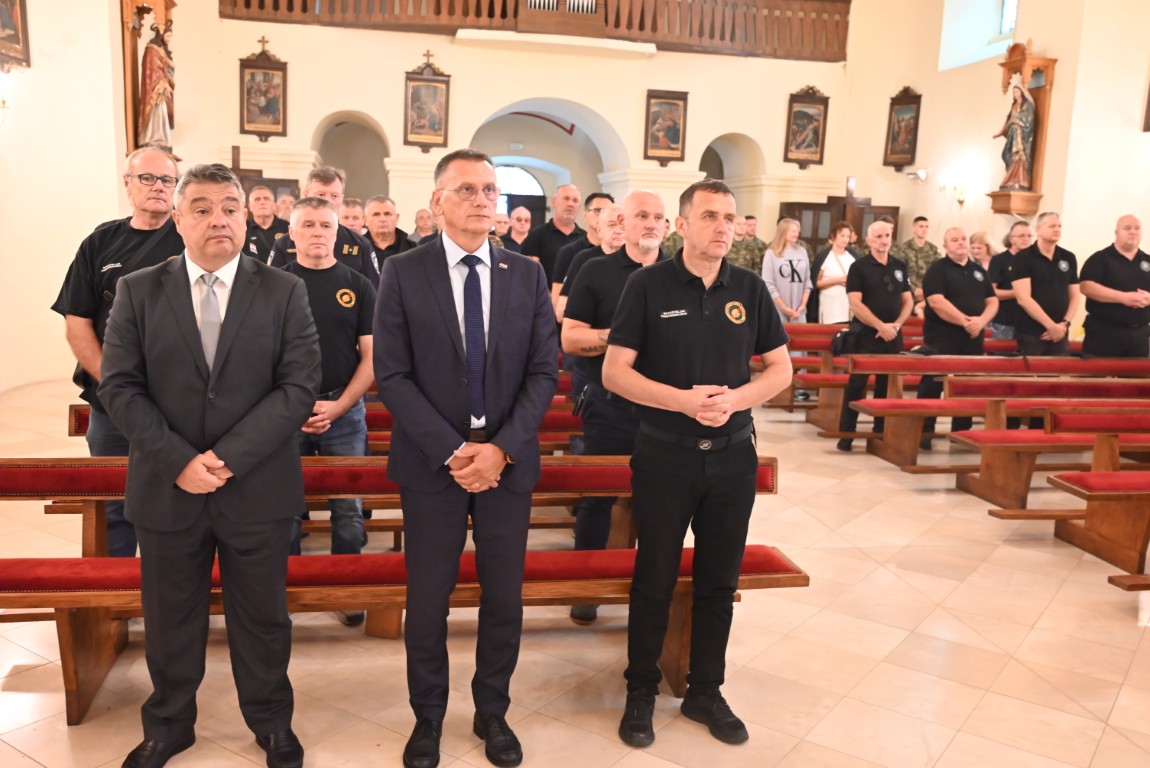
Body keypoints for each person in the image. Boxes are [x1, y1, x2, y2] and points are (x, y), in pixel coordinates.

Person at [98, 163, 320, 768]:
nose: (217, 218)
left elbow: (298, 386)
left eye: (229, 207)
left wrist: (225, 458)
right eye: (201, 208)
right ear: (178, 220)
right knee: (170, 617)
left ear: (245, 219)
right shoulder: (139, 290)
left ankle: (271, 721)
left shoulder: (284, 291)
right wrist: (179, 462)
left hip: (257, 486)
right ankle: (169, 724)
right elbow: (119, 387)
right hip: (168, 488)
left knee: (263, 617)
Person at [373, 149, 558, 768]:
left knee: (504, 596)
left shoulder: (525, 274)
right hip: (434, 465)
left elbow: (543, 371)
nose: (482, 200)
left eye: (489, 190)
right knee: (428, 599)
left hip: (507, 464)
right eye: (467, 190)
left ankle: (492, 710)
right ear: (437, 202)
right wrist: (454, 451)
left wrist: (500, 449)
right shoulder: (404, 271)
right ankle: (427, 715)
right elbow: (393, 374)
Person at [604, 178, 791, 749]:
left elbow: (780, 370)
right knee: (655, 577)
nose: (722, 227)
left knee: (718, 581)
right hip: (665, 454)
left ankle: (705, 690)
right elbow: (615, 372)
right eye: (709, 216)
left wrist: (735, 400)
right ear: (681, 225)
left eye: (730, 218)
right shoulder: (647, 284)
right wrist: (683, 401)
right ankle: (640, 690)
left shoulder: (749, 288)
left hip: (732, 457)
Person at [51, 147, 185, 558]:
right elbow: (77, 323)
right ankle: (116, 593)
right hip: (112, 405)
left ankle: (171, 588)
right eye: (147, 178)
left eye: (167, 180)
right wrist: (115, 385)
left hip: (178, 404)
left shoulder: (191, 238)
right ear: (128, 183)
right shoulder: (100, 242)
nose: (158, 187)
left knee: (178, 505)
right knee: (115, 506)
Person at [561, 194, 659, 625]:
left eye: (657, 217)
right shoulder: (595, 269)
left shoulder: (677, 273)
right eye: (639, 216)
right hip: (608, 405)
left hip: (663, 409)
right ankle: (585, 586)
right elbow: (570, 339)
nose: (648, 224)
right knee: (597, 497)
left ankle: (652, 591)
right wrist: (620, 337)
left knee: (661, 504)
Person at [281, 198, 375, 622]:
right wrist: (291, 405)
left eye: (325, 225)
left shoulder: (358, 285)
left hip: (344, 411)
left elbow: (371, 357)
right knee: (284, 506)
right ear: (292, 233)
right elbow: (260, 354)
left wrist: (339, 406)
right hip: (286, 412)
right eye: (308, 225)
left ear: (337, 233)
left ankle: (346, 588)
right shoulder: (275, 283)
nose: (317, 232)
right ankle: (287, 587)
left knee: (348, 508)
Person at [916, 227, 998, 448]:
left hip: (973, 338)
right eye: (954, 240)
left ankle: (962, 432)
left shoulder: (978, 270)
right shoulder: (938, 269)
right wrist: (965, 321)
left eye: (963, 239)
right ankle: (924, 432)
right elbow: (936, 302)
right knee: (932, 384)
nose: (961, 242)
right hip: (942, 337)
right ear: (945, 246)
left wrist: (981, 321)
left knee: (967, 385)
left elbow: (992, 300)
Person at [836, 221, 913, 452]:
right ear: (869, 240)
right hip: (866, 334)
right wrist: (880, 326)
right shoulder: (859, 267)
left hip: (893, 335)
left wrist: (896, 326)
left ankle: (880, 432)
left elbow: (908, 300)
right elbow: (855, 303)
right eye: (878, 236)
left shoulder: (899, 265)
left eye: (887, 235)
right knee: (857, 385)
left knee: (886, 385)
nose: (883, 240)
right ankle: (847, 434)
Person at [269, 167, 379, 285]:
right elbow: (271, 287)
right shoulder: (283, 244)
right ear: (305, 195)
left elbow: (373, 290)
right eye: (321, 195)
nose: (328, 201)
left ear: (342, 198)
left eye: (334, 196)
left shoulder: (361, 245)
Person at [1079, 215, 1150, 357]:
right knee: (1100, 372)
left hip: (1139, 336)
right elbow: (1086, 287)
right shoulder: (1100, 259)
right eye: (1127, 228)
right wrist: (1123, 298)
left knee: (1137, 372)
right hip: (1104, 334)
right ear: (1116, 232)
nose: (1133, 232)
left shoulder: (1147, 260)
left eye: (1137, 228)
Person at [1012, 211, 1080, 356]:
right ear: (1038, 230)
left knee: (1057, 370)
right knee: (1032, 370)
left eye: (1059, 226)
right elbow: (1023, 298)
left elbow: (1075, 296)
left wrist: (1065, 323)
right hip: (1032, 332)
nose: (1057, 229)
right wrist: (1050, 325)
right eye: (1052, 226)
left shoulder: (1068, 257)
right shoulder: (1023, 257)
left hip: (1060, 330)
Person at [551, 192, 614, 318]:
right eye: (598, 211)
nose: (603, 216)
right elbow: (558, 302)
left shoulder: (621, 252)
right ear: (585, 215)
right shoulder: (570, 252)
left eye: (607, 212)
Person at [520, 183, 583, 282]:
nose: (571, 204)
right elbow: (528, 274)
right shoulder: (536, 236)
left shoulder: (585, 238)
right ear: (554, 202)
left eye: (575, 200)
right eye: (566, 198)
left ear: (579, 207)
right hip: (545, 291)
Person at [987, 220, 1033, 339]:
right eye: (1021, 236)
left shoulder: (1034, 261)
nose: (1026, 239)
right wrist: (1018, 293)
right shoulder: (999, 260)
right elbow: (991, 292)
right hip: (1005, 321)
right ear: (1011, 239)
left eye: (1029, 236)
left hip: (1030, 320)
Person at [762, 218, 812, 324]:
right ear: (783, 231)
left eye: (797, 231)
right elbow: (768, 284)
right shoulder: (771, 253)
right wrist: (783, 308)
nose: (796, 234)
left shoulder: (802, 251)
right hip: (778, 310)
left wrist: (803, 305)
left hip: (799, 311)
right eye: (793, 231)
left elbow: (807, 282)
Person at [890, 215, 940, 312]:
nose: (924, 229)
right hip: (907, 295)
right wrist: (914, 289)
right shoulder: (903, 249)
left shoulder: (933, 250)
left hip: (927, 296)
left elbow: (938, 273)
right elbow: (899, 273)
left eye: (926, 227)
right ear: (914, 228)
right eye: (921, 226)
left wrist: (927, 290)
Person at [138, 23, 175, 151]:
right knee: (156, 113)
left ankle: (162, 139)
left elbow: (168, 67)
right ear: (161, 34)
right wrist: (164, 84)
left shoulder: (161, 50)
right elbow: (154, 70)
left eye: (170, 36)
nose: (169, 39)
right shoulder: (152, 49)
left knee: (162, 113)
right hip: (155, 89)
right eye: (168, 35)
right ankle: (152, 139)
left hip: (162, 89)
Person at [994, 82, 1037, 191]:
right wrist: (1000, 133)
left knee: (1019, 156)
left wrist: (1017, 117)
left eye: (1017, 92)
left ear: (1022, 92)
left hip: (1022, 137)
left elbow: (1029, 120)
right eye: (1014, 92)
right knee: (1008, 154)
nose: (1015, 94)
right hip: (1013, 134)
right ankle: (1011, 179)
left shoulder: (1028, 105)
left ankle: (1021, 180)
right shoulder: (1014, 105)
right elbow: (1008, 121)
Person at [811, 221, 856, 323]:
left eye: (848, 236)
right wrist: (838, 281)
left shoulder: (853, 257)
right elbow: (816, 283)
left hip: (848, 305)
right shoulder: (824, 257)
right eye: (842, 236)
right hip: (829, 305)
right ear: (833, 236)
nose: (845, 239)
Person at [364, 195, 415, 269]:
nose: (382, 219)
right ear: (365, 220)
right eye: (376, 214)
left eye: (387, 214)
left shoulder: (413, 249)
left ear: (397, 218)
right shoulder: (358, 249)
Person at [245, 184, 289, 263]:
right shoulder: (243, 228)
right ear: (250, 206)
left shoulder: (288, 228)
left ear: (274, 205)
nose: (262, 202)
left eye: (266, 199)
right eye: (257, 199)